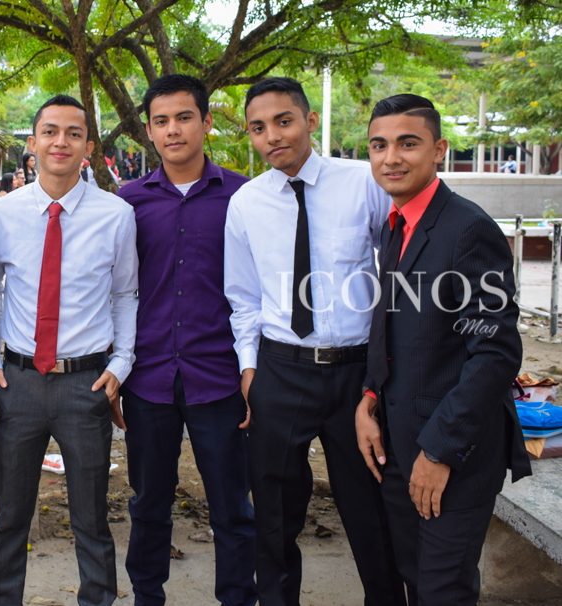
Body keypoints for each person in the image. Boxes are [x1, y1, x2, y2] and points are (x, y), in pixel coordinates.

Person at [223, 77, 403, 606]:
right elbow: (244, 298)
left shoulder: (362, 183)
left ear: (310, 121)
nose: (272, 136)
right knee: (275, 517)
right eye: (258, 127)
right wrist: (250, 370)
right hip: (280, 372)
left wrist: (383, 373)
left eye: (284, 121)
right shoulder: (246, 203)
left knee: (372, 511)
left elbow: (398, 271)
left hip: (356, 375)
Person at [357, 94, 531, 605]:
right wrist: (370, 395)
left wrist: (439, 451)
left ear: (439, 150)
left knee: (442, 592)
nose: (391, 158)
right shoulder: (395, 225)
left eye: (407, 144)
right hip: (398, 441)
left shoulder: (468, 228)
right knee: (415, 579)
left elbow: (495, 353)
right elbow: (390, 326)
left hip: (454, 453)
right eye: (379, 146)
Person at [0, 94, 138, 606]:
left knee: (91, 517)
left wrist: (122, 362)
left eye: (74, 133)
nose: (61, 142)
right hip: (19, 383)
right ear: (32, 143)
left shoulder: (115, 215)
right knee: (10, 516)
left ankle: (98, 598)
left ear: (88, 147)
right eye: (50, 132)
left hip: (85, 385)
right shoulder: (1, 214)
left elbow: (125, 294)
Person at [117, 74, 256, 606]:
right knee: (148, 504)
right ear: (149, 131)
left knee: (232, 507)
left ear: (206, 122)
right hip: (147, 379)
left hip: (219, 378)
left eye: (183, 117)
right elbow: (114, 291)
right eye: (161, 121)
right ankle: (146, 596)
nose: (172, 129)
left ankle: (237, 598)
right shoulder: (127, 202)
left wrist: (253, 369)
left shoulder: (244, 196)